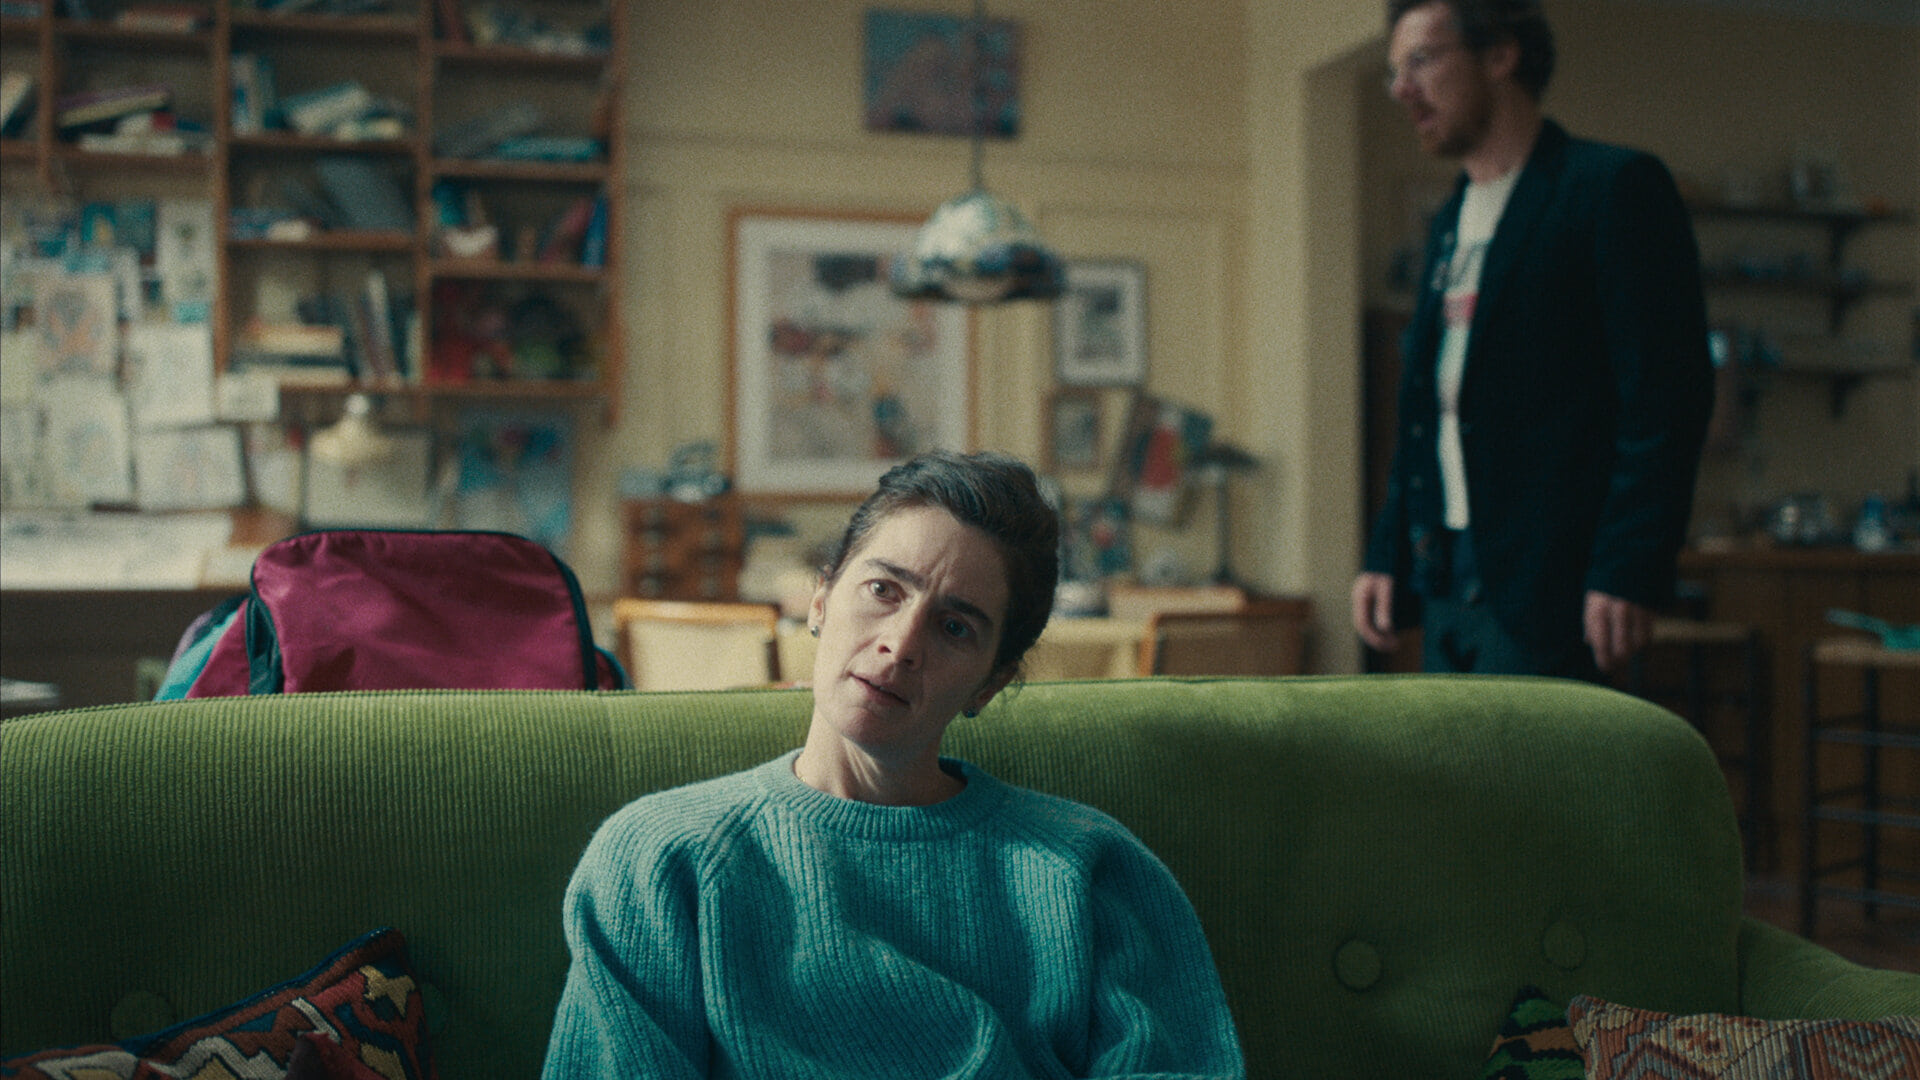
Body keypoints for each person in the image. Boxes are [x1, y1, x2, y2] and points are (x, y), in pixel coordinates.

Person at [543, 450, 1245, 1078]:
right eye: (884, 590)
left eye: (955, 627)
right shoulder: (661, 861)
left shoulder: (1089, 868)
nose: (902, 644)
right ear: (822, 599)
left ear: (991, 683)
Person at [1352, 0, 1714, 679]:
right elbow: (1428, 410)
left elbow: (1666, 398)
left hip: (1559, 586)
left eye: (1421, 61)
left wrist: (1628, 565)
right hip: (1446, 575)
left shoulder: (1610, 188)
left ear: (1500, 54)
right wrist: (1386, 554)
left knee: (1542, 755)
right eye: (1395, 72)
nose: (1402, 89)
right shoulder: (1450, 220)